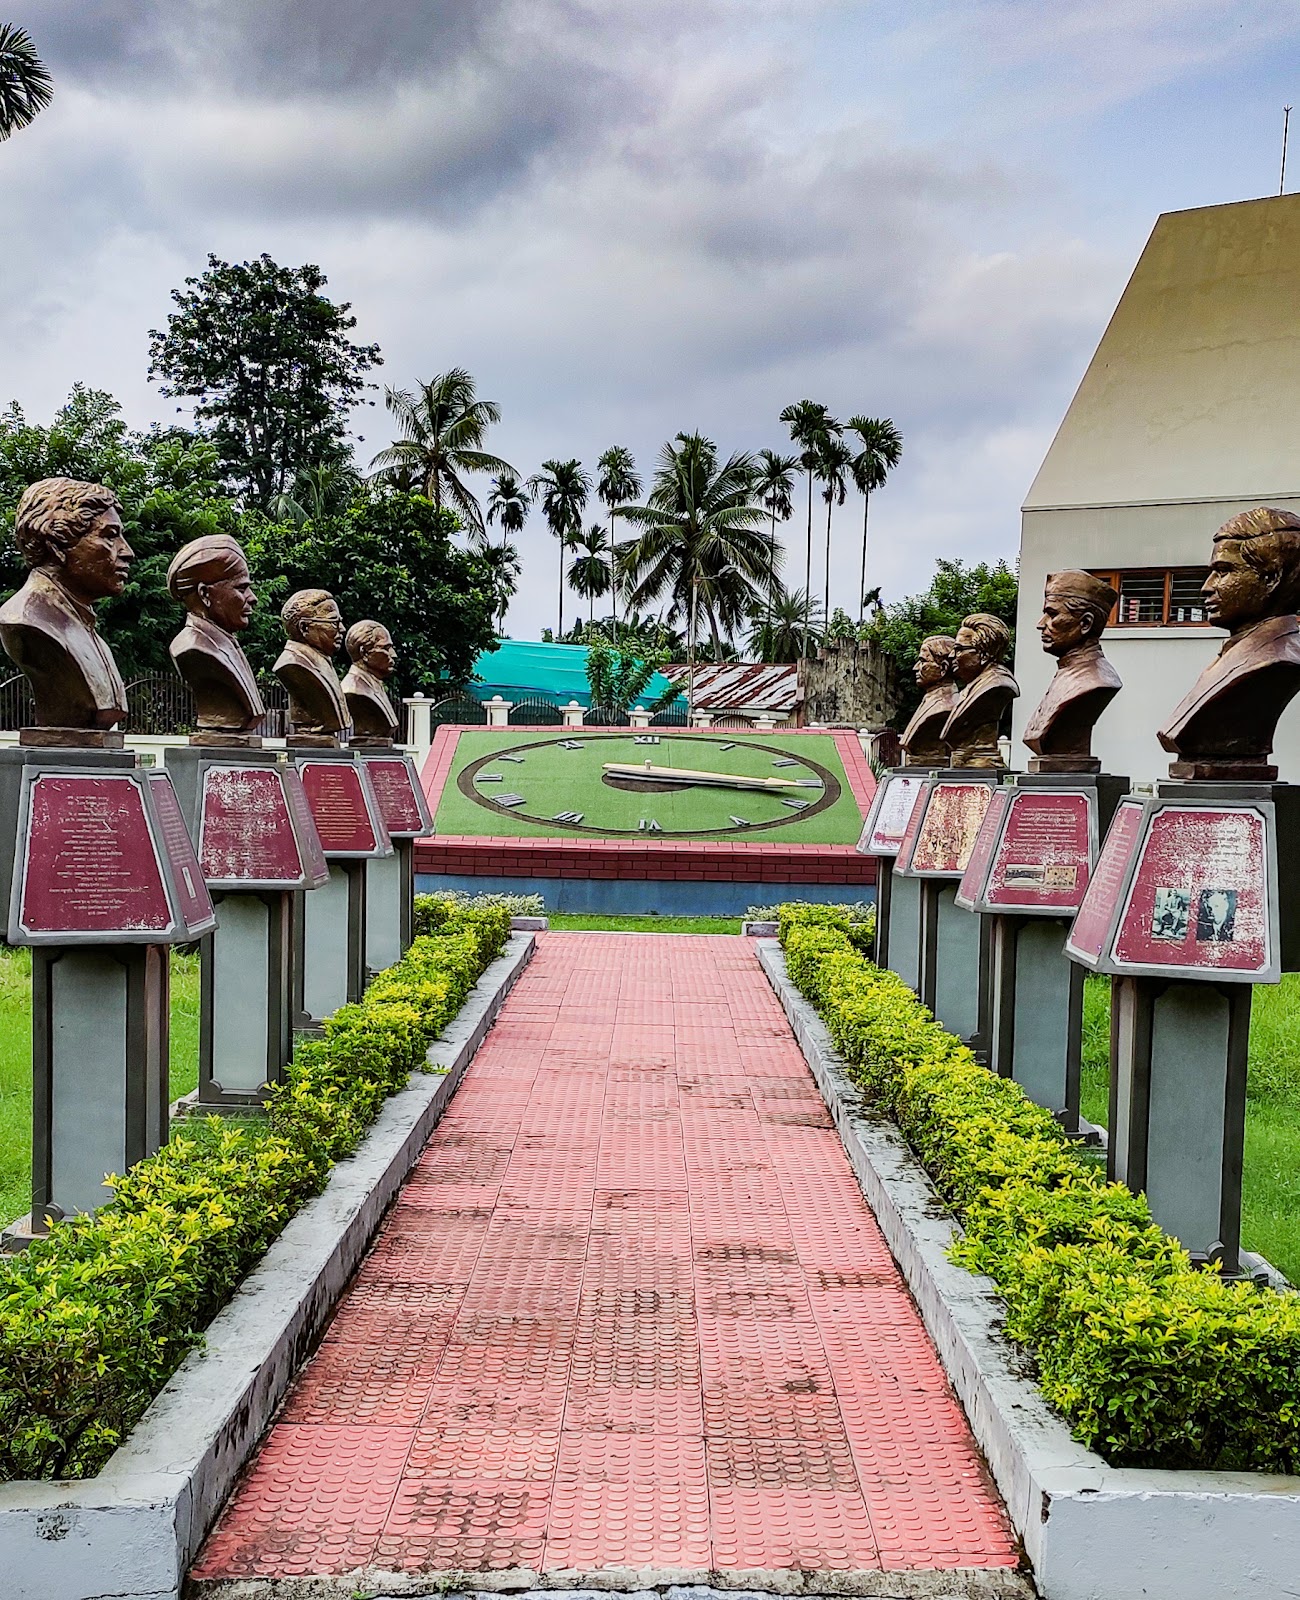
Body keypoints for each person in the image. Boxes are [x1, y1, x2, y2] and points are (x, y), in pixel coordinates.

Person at [1160, 507, 1300, 779]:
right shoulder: (1239, 654)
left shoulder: (1277, 661)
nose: (1207, 586)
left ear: (1270, 578)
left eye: (1223, 571)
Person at [0, 477, 132, 731]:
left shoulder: (84, 625)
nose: (126, 551)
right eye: (109, 536)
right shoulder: (27, 620)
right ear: (57, 545)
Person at [1022, 570, 1121, 771]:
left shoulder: (1096, 680)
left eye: (1052, 614)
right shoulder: (1067, 673)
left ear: (1085, 623)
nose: (1040, 625)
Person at [167, 534, 265, 735]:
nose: (252, 598)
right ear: (205, 594)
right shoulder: (192, 648)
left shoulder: (226, 643)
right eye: (242, 588)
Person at [940, 613, 1018, 768]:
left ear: (984, 654)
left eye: (959, 649)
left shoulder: (997, 685)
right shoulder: (973, 686)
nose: (951, 656)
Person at [273, 588, 350, 740]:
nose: (342, 629)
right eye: (334, 622)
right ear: (304, 627)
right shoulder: (292, 664)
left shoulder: (322, 661)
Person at [899, 635, 959, 767]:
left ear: (943, 668)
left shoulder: (946, 707)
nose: (916, 667)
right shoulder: (930, 700)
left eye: (923, 661)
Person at [341, 620, 400, 742]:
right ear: (364, 652)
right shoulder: (353, 689)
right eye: (385, 648)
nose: (393, 655)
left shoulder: (375, 683)